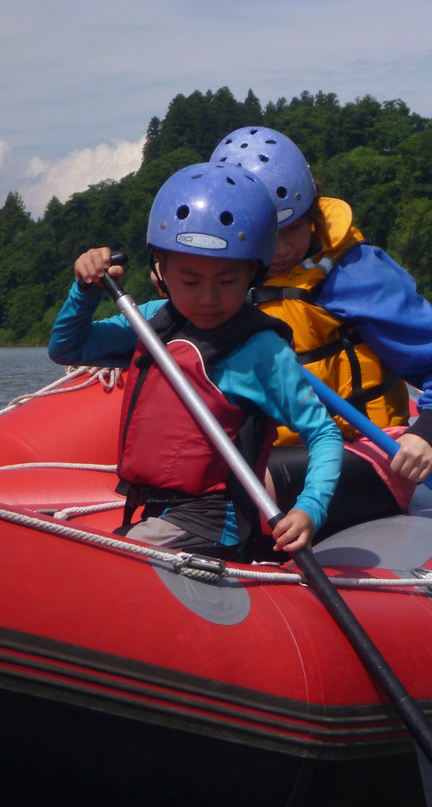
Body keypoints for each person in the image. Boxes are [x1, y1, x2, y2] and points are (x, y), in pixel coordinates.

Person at [48, 162, 343, 559]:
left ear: (252, 273)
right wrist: (84, 290)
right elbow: (68, 347)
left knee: (94, 564)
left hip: (209, 523)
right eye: (190, 281)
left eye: (227, 281)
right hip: (151, 513)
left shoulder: (263, 352)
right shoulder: (151, 319)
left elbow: (323, 434)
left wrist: (310, 509)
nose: (208, 298)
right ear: (162, 269)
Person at [210, 127, 432, 535]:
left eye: (293, 229)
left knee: (236, 488)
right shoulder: (222, 278)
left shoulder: (356, 274)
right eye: (268, 235)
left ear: (312, 211)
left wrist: (427, 433)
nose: (282, 249)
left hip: (365, 455)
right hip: (266, 451)